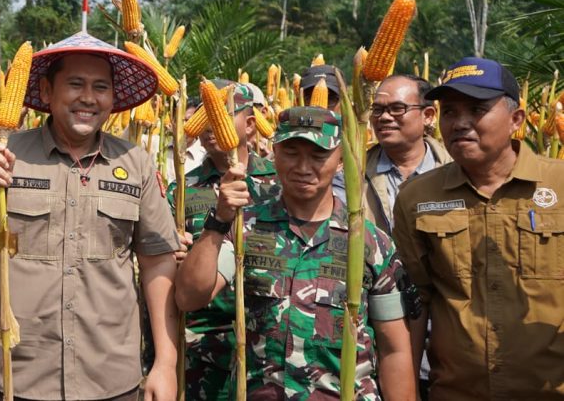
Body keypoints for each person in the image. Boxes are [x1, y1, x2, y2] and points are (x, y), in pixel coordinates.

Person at [0, 31, 181, 400]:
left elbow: (158, 264)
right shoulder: (3, 154)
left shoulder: (135, 163)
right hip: (17, 375)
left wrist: (165, 363)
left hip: (110, 378)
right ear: (45, 91)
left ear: (113, 98)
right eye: (75, 84)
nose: (88, 97)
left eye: (101, 87)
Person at [176, 106, 415, 400]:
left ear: (341, 161)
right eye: (291, 152)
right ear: (274, 152)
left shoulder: (371, 244)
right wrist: (218, 222)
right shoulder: (246, 229)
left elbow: (395, 350)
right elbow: (190, 297)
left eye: (318, 155)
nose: (303, 167)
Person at [392, 57, 564, 399]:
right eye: (450, 111)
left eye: (476, 109)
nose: (460, 123)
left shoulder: (559, 184)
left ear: (516, 119)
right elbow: (414, 305)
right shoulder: (417, 196)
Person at [180, 82, 279, 400]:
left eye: (219, 116)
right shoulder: (181, 189)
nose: (208, 126)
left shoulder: (280, 184)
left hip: (270, 355)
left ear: (250, 124)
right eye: (203, 116)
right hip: (203, 353)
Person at [362, 75, 451, 233]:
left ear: (428, 116)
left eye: (397, 108)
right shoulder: (355, 174)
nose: (384, 117)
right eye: (377, 110)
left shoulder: (455, 172)